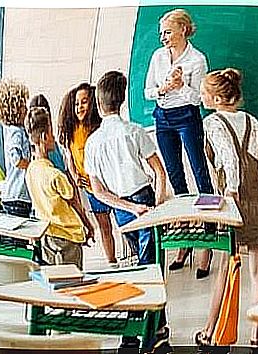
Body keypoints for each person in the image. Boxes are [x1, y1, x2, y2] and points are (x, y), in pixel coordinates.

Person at [196, 68, 258, 347]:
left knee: (225, 266)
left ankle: (210, 333)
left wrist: (231, 194)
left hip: (235, 199)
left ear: (218, 98)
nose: (200, 97)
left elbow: (231, 160)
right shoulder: (250, 120)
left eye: (203, 93)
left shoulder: (213, 123)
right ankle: (256, 337)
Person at [84, 71, 170, 351]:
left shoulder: (93, 142)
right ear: (121, 101)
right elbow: (159, 171)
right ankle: (148, 332)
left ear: (99, 104)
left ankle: (140, 332)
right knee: (152, 269)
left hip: (122, 209)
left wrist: (128, 208)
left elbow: (98, 192)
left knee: (137, 268)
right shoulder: (134, 131)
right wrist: (154, 205)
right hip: (143, 202)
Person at [144, 8, 214, 278]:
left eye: (168, 32)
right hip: (163, 117)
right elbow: (147, 91)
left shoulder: (197, 59)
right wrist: (163, 89)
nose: (163, 37)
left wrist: (181, 85)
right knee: (176, 177)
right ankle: (185, 241)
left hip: (187, 117)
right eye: (161, 32)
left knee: (200, 174)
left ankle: (207, 243)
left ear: (183, 29)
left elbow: (198, 98)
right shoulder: (158, 56)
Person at [24, 106, 94, 269]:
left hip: (47, 235)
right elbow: (75, 204)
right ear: (44, 136)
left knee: (55, 281)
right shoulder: (55, 175)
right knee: (73, 281)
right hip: (67, 237)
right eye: (51, 133)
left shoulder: (31, 170)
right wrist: (88, 226)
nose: (53, 137)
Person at [57, 83, 118, 267]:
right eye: (77, 104)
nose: (79, 107)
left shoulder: (99, 129)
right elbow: (69, 155)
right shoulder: (72, 130)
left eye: (84, 102)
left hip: (112, 186)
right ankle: (112, 262)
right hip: (93, 190)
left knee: (124, 224)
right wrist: (74, 173)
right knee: (104, 226)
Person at [0, 78, 31, 217]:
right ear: (14, 109)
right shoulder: (16, 131)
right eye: (23, 106)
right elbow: (16, 159)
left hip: (12, 195)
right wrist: (32, 166)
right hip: (18, 196)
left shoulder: (11, 129)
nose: (26, 109)